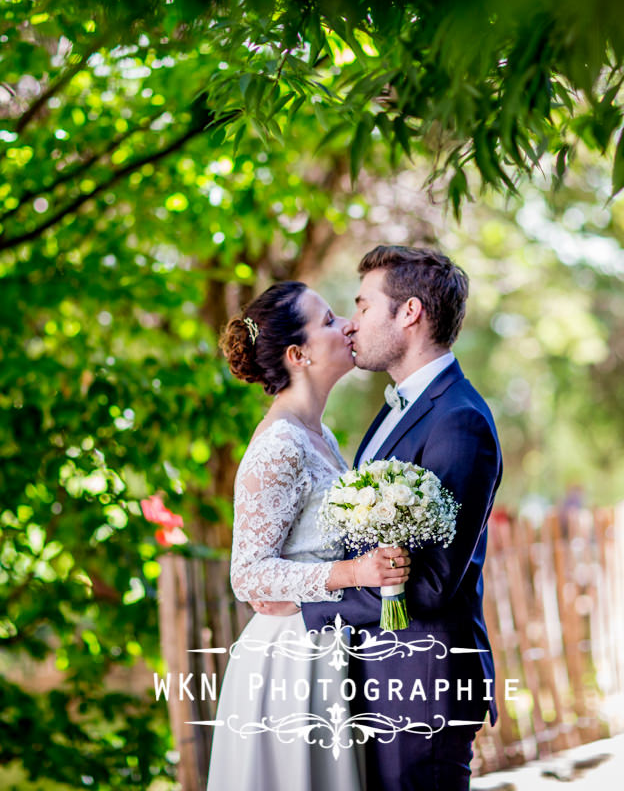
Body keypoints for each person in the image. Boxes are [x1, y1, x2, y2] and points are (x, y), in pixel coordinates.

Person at [297, 245, 503, 791]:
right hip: (376, 678)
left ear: (408, 313)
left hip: (421, 685)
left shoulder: (460, 421)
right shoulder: (398, 409)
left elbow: (432, 582)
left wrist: (309, 603)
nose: (352, 322)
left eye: (364, 306)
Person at [208, 280, 410, 791]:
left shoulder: (321, 436)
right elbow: (248, 575)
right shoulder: (279, 445)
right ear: (298, 355)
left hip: (326, 648)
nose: (347, 325)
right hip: (286, 664)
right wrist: (353, 573)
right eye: (327, 321)